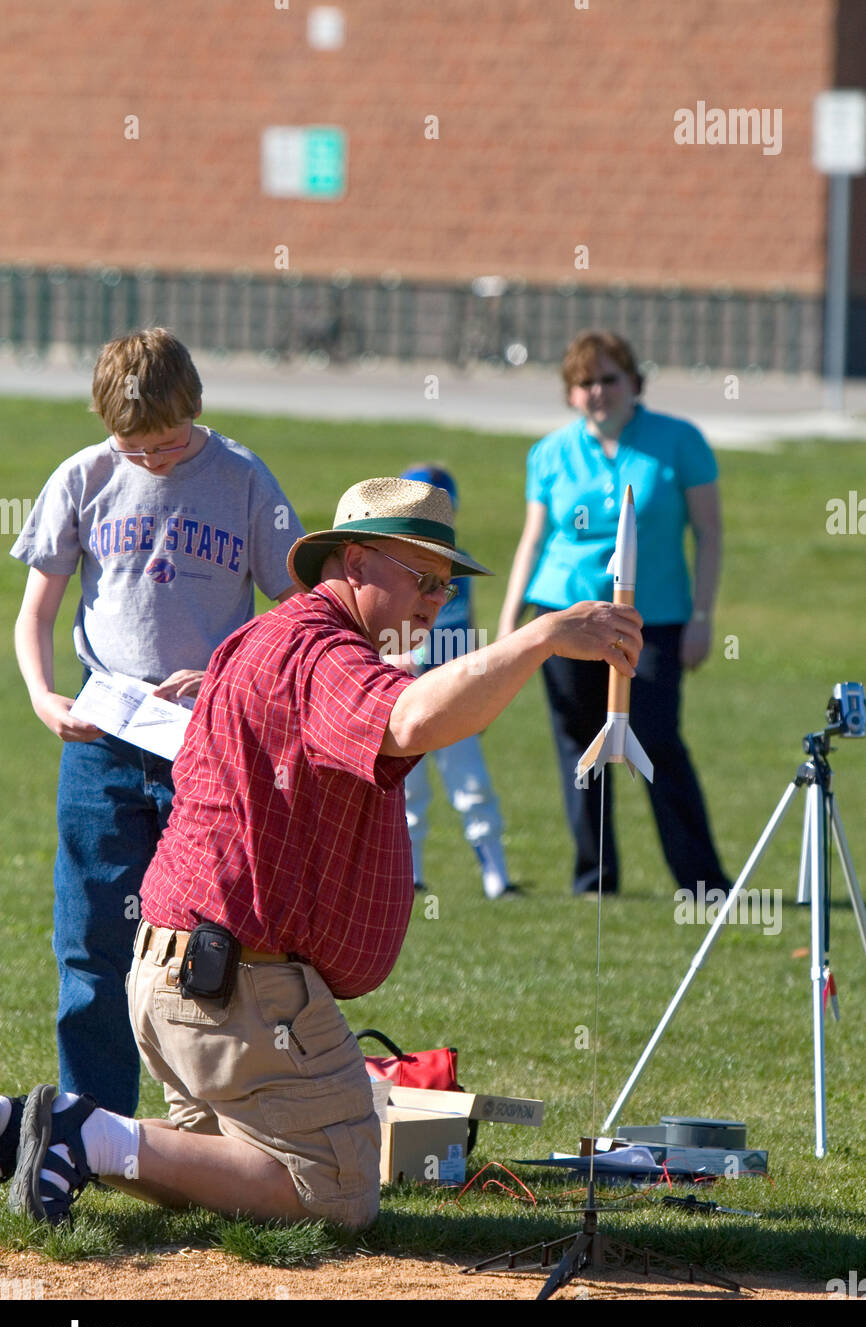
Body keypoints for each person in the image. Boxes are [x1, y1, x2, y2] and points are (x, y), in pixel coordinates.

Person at [3, 476, 642, 1229]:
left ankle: (30, 1130)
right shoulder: (324, 655)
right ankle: (81, 1134)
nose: (437, 601)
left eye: (447, 585)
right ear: (360, 564)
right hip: (234, 992)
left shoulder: (277, 637)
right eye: (424, 579)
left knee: (233, 1172)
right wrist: (540, 637)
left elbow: (389, 694)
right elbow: (407, 720)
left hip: (180, 981)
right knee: (336, 1192)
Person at [9, 328, 303, 1120]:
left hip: (208, 746)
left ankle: (209, 1124)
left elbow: (300, 616)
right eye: (135, 448)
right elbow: (34, 613)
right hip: (102, 741)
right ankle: (89, 1127)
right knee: (91, 943)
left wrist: (221, 677)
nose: (154, 461)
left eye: (169, 445)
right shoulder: (83, 476)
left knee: (212, 943)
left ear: (195, 410)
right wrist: (43, 696)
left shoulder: (242, 479)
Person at [497, 330, 730, 897]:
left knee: (655, 737)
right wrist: (509, 625)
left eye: (609, 378)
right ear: (571, 394)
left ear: (634, 383)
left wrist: (702, 617)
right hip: (564, 612)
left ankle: (702, 882)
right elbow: (534, 539)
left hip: (655, 618)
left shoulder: (679, 442)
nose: (598, 391)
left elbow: (710, 531)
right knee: (578, 743)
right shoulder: (550, 453)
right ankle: (594, 879)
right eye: (585, 382)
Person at [399, 465, 516, 900]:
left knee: (472, 785)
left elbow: (464, 628)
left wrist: (480, 687)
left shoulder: (457, 565)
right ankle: (409, 878)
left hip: (452, 691)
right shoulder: (393, 566)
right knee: (407, 793)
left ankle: (496, 878)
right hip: (404, 691)